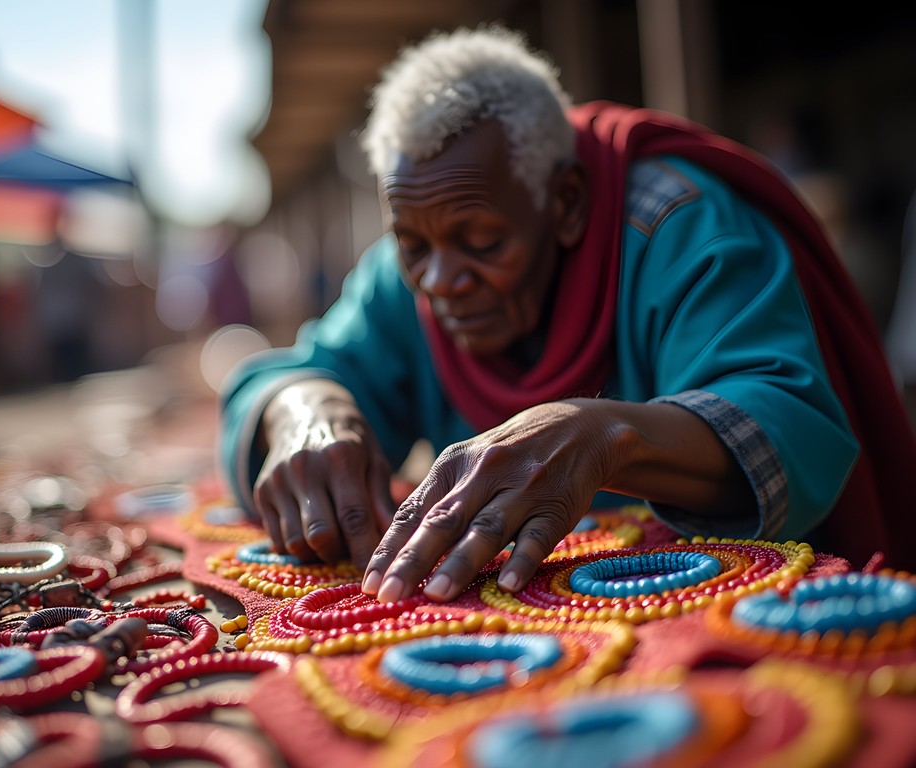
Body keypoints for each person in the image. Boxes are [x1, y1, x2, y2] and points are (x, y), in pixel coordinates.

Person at [219, 26, 916, 604]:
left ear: (568, 203)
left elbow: (789, 420)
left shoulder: (679, 227)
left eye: (483, 241)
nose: (440, 281)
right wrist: (304, 413)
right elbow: (299, 374)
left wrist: (604, 434)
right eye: (412, 245)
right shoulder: (415, 263)